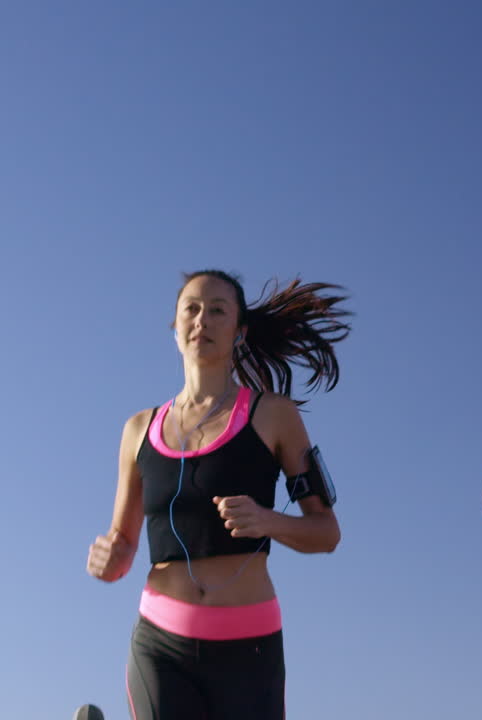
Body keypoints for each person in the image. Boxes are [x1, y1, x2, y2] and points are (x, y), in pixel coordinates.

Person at [87, 269, 350, 719]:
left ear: (239, 330)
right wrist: (109, 560)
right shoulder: (138, 431)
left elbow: (326, 533)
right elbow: (124, 542)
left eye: (217, 311)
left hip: (248, 650)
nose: (201, 320)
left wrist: (268, 521)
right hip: (160, 644)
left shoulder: (274, 416)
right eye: (191, 309)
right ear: (174, 327)